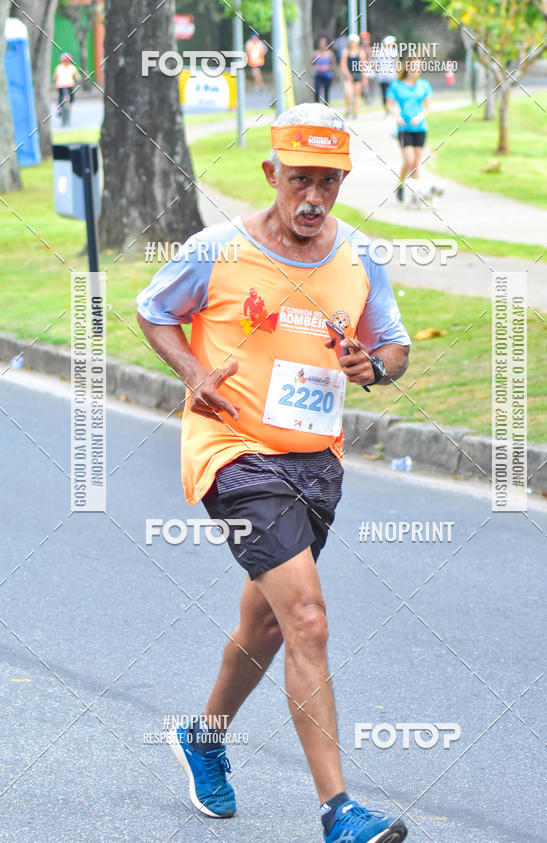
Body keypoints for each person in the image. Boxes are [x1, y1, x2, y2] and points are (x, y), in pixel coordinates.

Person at [137, 101, 410, 843]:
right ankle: (339, 811)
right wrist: (194, 371)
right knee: (309, 619)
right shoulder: (217, 251)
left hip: (316, 463)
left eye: (328, 181)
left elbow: (392, 347)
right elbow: (151, 309)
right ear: (272, 174)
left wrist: (373, 368)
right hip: (234, 453)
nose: (313, 198)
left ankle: (203, 735)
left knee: (265, 621)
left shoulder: (358, 258)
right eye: (300, 180)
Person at [385, 57, 433, 202]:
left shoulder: (424, 85)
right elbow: (388, 105)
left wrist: (420, 116)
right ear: (408, 68)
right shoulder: (396, 85)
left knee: (416, 162)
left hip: (420, 128)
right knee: (409, 160)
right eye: (413, 67)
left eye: (418, 67)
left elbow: (428, 107)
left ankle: (415, 193)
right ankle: (400, 184)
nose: (416, 71)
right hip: (404, 128)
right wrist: (396, 115)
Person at [340, 34, 364, 119]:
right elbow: (343, 65)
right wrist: (348, 75)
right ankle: (348, 110)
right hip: (349, 75)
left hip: (358, 75)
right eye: (351, 42)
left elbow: (363, 65)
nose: (353, 44)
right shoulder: (346, 52)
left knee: (357, 95)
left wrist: (365, 78)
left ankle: (355, 112)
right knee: (348, 93)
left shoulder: (360, 52)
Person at [376, 35, 397, 109]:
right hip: (390, 75)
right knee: (390, 93)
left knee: (384, 93)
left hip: (381, 75)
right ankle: (389, 108)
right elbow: (396, 63)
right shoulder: (393, 51)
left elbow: (375, 65)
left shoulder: (378, 51)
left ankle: (387, 109)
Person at [313, 35, 335, 105]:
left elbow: (333, 64)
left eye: (323, 43)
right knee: (317, 92)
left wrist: (327, 67)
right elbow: (312, 64)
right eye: (321, 43)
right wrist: (316, 67)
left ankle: (326, 106)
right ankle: (317, 106)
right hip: (318, 75)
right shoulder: (316, 53)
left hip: (327, 75)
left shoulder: (330, 53)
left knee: (326, 93)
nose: (322, 45)